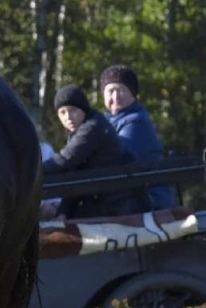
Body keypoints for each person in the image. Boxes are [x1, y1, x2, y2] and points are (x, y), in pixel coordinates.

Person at [43, 84, 140, 219]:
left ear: (83, 109)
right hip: (103, 199)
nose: (68, 117)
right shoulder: (79, 130)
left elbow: (65, 160)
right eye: (62, 112)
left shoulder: (92, 128)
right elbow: (75, 172)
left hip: (119, 204)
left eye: (73, 110)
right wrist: (63, 212)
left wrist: (32, 172)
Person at [99, 63, 174, 210]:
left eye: (121, 90)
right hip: (125, 194)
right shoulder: (103, 121)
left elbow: (117, 161)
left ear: (133, 94)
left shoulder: (137, 121)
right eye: (111, 91)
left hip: (147, 198)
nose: (115, 96)